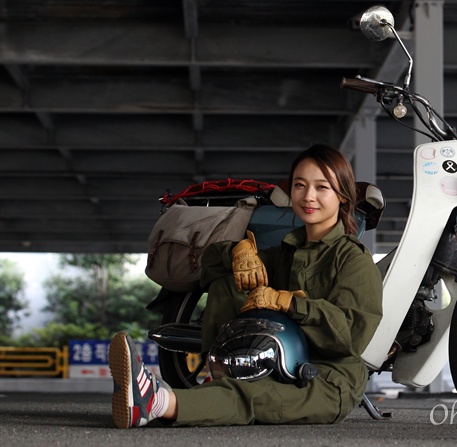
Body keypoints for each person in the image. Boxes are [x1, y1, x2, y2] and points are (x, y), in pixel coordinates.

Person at [108, 143, 383, 428]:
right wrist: (239, 252)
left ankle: (155, 402)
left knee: (252, 396)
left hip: (326, 379)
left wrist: (288, 302)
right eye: (300, 185)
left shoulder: (353, 259)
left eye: (321, 187)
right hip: (277, 361)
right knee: (230, 281)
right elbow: (212, 266)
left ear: (342, 196)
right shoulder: (287, 251)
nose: (308, 196)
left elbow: (352, 337)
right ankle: (219, 374)